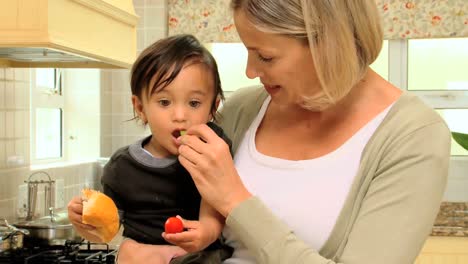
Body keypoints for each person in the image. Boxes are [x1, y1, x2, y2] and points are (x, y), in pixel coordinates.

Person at [72, 0, 451, 263]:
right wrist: (116, 238)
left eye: (267, 56)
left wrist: (236, 199)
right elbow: (171, 218)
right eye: (248, 51)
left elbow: (229, 203)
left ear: (327, 44)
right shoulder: (243, 110)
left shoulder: (412, 135)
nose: (251, 71)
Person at [68, 34, 233, 264]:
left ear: (213, 107)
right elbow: (107, 231)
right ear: (140, 107)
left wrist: (206, 232)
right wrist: (84, 222)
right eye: (164, 102)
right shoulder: (122, 167)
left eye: (194, 103)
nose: (180, 116)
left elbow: (217, 202)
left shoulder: (212, 148)